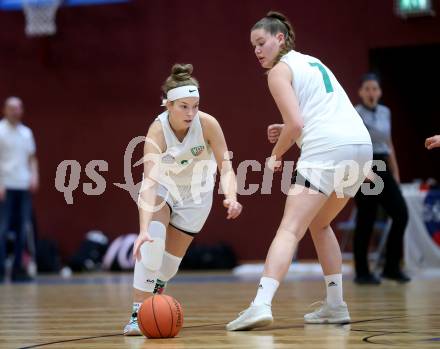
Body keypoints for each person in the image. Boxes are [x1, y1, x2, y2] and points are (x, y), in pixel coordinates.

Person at [226, 11, 372, 331]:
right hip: (361, 147)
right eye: (253, 46)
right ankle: (335, 305)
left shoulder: (278, 71)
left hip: (327, 149)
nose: (257, 51)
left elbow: (297, 123)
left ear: (280, 39)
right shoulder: (311, 61)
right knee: (320, 224)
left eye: (261, 42)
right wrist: (290, 131)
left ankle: (260, 304)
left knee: (290, 228)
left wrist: (275, 155)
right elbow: (315, 113)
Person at [124, 64, 243, 335]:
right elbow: (150, 183)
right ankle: (137, 313)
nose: (191, 113)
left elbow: (226, 166)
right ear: (168, 104)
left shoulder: (208, 124)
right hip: (164, 189)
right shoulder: (156, 131)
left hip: (197, 196)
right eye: (183, 106)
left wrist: (232, 197)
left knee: (167, 267)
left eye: (195, 106)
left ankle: (157, 286)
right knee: (153, 240)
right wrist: (143, 230)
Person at [353, 74, 410, 285]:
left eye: (374, 89)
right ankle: (362, 272)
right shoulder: (355, 113)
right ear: (360, 92)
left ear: (380, 92)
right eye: (367, 89)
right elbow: (354, 143)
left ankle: (391, 268)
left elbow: (389, 142)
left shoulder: (386, 112)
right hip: (365, 166)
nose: (371, 93)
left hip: (383, 165)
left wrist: (395, 172)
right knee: (365, 219)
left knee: (401, 214)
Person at [0, 97, 39, 283]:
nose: (15, 111)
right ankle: (1, 269)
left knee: (23, 228)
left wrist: (34, 176)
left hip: (23, 185)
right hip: (6, 185)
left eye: (18, 108)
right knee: (3, 228)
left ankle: (18, 269)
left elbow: (32, 158)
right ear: (5, 110)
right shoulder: (0, 131)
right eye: (11, 108)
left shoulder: (26, 133)